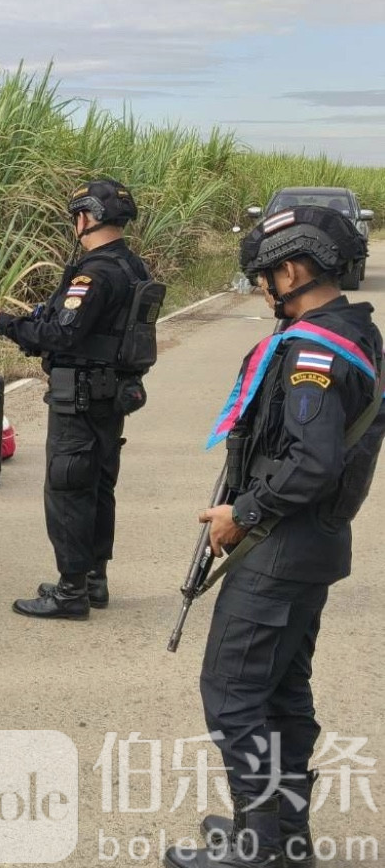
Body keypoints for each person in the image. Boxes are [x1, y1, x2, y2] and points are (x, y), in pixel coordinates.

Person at [162, 206, 383, 868]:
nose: (262, 290)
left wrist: (244, 512)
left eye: (265, 277)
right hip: (309, 545)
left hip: (281, 547)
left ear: (291, 271)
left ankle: (258, 846)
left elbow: (313, 462)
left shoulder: (315, 349)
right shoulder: (353, 331)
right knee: (281, 692)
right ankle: (285, 836)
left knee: (232, 694)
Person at [0, 180, 151, 619]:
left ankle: (70, 592)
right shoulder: (133, 267)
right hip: (110, 397)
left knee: (68, 490)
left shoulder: (93, 274)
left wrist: (0, 321)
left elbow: (61, 333)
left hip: (79, 399)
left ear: (85, 218)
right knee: (98, 487)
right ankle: (93, 579)